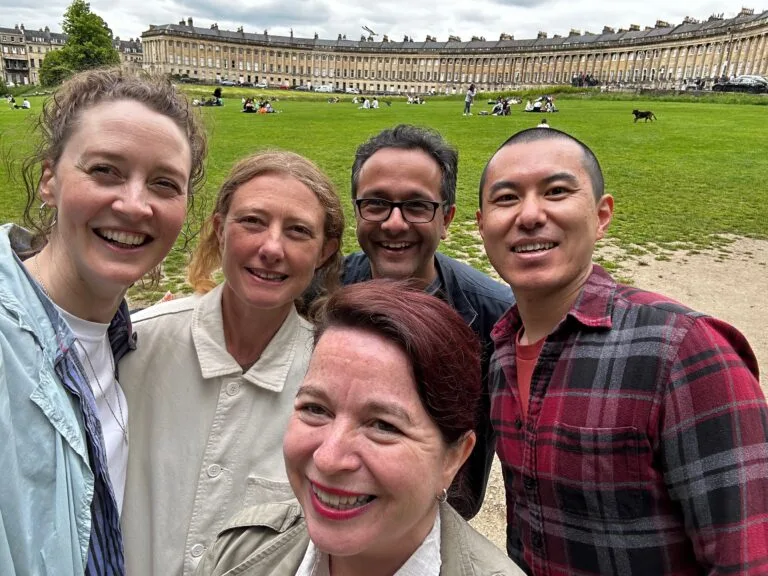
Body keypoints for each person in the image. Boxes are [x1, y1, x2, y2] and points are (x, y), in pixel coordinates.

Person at [477, 127, 768, 574]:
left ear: (602, 215)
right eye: (506, 198)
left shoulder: (683, 350)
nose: (530, 214)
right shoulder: (501, 352)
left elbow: (749, 557)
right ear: (481, 225)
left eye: (556, 192)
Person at [0, 67, 207, 575]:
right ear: (49, 180)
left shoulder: (121, 344)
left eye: (164, 183)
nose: (134, 205)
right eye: (105, 171)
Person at [196, 281, 526, 576]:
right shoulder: (237, 552)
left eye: (383, 425)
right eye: (315, 409)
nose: (328, 459)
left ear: (453, 458)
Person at [119, 150, 344, 576]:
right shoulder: (135, 347)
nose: (271, 248)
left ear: (324, 252)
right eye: (253, 222)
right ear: (220, 230)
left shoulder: (331, 379)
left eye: (298, 231)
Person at [332, 124, 514, 519]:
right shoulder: (323, 293)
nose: (394, 223)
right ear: (357, 211)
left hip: (440, 519)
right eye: (376, 203)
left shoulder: (496, 315)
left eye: (417, 206)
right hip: (335, 504)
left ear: (446, 219)